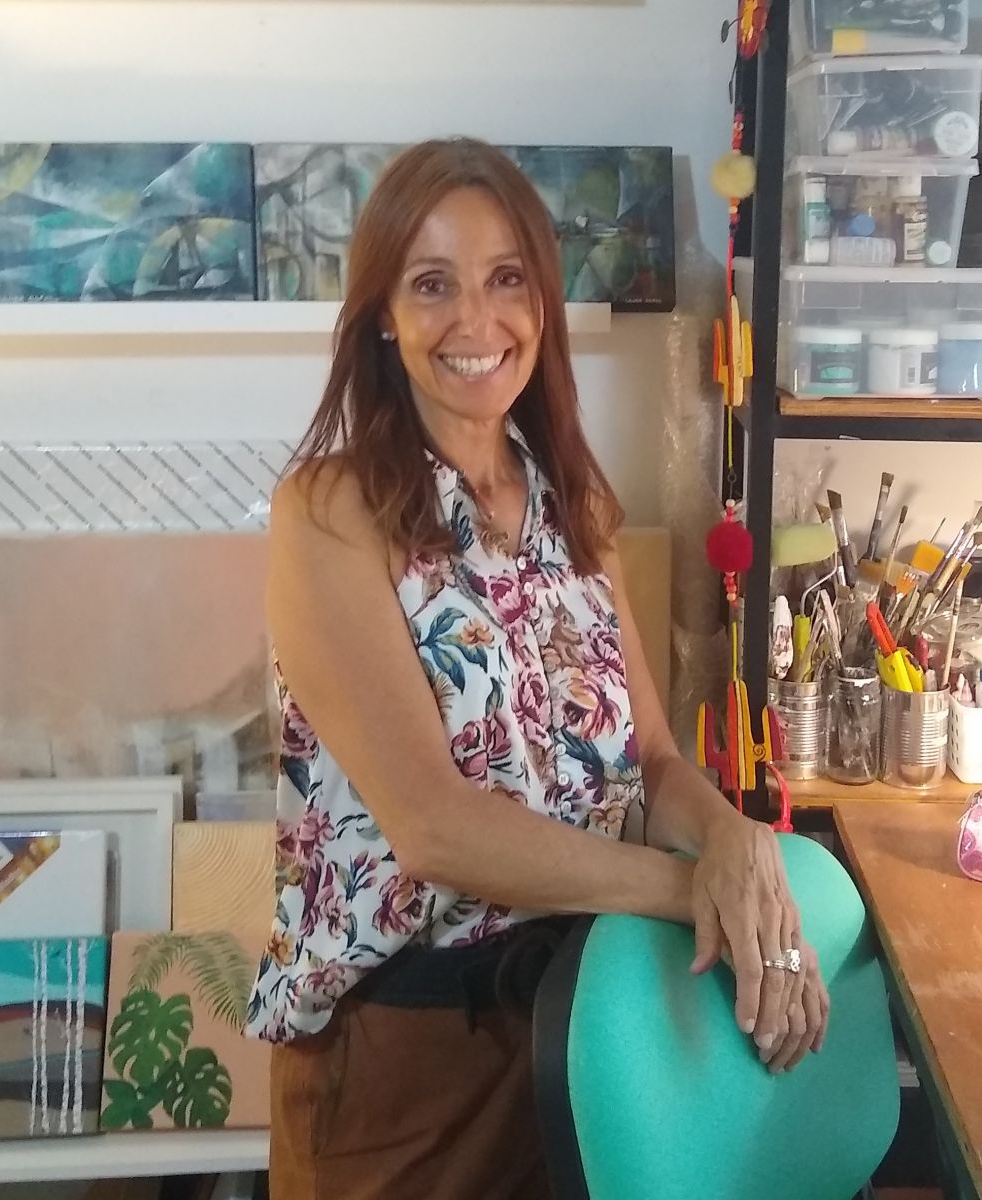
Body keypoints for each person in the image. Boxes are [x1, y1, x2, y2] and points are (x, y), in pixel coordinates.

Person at [245, 137, 829, 1200]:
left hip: (592, 1023)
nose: (477, 321)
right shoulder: (331, 512)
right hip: (411, 1058)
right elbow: (435, 827)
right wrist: (695, 891)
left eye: (506, 278)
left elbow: (652, 761)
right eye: (432, 284)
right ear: (383, 315)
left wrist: (736, 843)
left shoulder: (572, 504)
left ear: (543, 303)